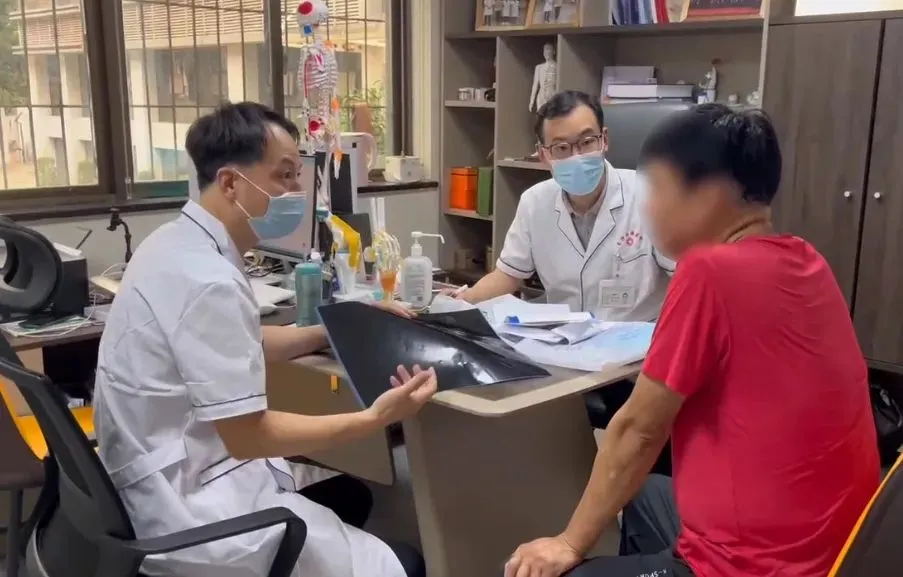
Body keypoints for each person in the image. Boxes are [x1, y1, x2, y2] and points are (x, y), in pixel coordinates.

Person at [503, 104, 880, 577]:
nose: (648, 207)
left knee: (548, 570)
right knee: (644, 494)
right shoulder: (807, 260)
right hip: (845, 552)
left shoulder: (709, 271)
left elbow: (639, 432)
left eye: (657, 189)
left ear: (709, 195)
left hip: (754, 566)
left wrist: (567, 543)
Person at [93, 102, 434, 577]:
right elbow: (249, 435)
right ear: (231, 183)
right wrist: (373, 419)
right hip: (191, 510)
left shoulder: (171, 244)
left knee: (351, 495)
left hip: (153, 478)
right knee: (406, 564)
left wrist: (338, 326)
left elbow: (243, 341)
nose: (297, 192)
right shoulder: (209, 280)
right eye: (285, 176)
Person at [449, 90, 673, 464]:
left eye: (586, 142)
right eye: (562, 148)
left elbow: (687, 279)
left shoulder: (649, 195)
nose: (577, 156)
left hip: (638, 364)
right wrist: (459, 303)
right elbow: (508, 275)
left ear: (604, 139)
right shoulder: (535, 202)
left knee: (635, 450)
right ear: (544, 155)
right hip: (565, 358)